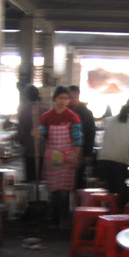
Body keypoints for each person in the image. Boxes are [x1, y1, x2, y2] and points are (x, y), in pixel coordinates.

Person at [36, 85, 83, 229]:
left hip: (68, 157)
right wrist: (38, 135)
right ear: (54, 99)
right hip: (53, 157)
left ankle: (64, 218)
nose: (63, 101)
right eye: (60, 98)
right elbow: (42, 136)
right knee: (54, 189)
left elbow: (77, 139)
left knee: (64, 190)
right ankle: (55, 219)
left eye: (66, 98)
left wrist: (75, 157)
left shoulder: (73, 117)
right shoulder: (46, 117)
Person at [96, 98, 129, 208]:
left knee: (110, 191)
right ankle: (121, 214)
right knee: (122, 193)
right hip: (120, 162)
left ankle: (109, 211)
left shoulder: (109, 120)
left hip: (104, 160)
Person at [17, 85, 48, 182]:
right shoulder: (46, 110)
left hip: (30, 151)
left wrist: (23, 142)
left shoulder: (24, 111)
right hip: (44, 151)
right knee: (43, 180)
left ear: (26, 97)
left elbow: (21, 134)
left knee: (31, 180)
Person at [68, 85, 96, 189]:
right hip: (66, 151)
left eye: (71, 97)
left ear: (77, 96)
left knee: (78, 179)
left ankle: (78, 198)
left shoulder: (86, 113)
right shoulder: (66, 112)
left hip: (81, 152)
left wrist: (87, 154)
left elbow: (90, 134)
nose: (69, 100)